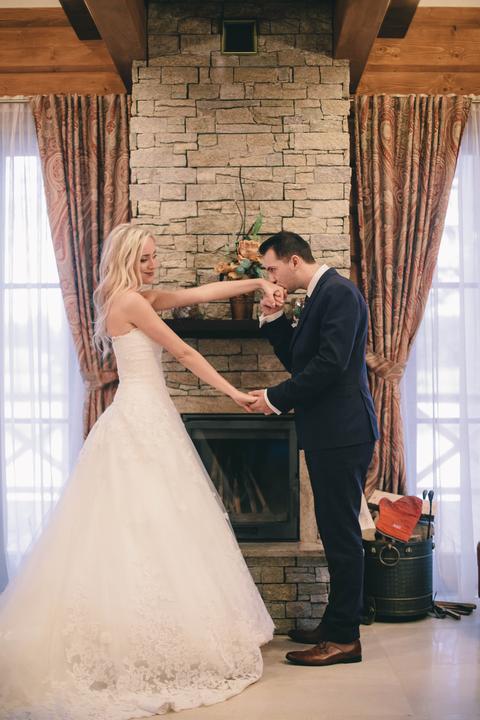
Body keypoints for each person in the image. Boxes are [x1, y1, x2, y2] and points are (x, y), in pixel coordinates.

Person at [0, 222, 280, 719]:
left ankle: (155, 633)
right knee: (145, 525)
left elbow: (200, 293)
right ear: (127, 258)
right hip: (140, 417)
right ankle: (136, 641)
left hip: (148, 414)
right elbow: (184, 351)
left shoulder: (134, 298)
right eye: (146, 257)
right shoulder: (130, 302)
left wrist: (257, 281)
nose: (154, 264)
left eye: (154, 255)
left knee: (156, 526)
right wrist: (234, 394)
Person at [248, 231, 379, 667]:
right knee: (335, 531)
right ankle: (334, 624)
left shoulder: (338, 293)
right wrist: (275, 319)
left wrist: (274, 398)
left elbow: (330, 365)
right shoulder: (319, 294)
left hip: (344, 432)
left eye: (272, 268)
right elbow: (301, 362)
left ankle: (344, 639)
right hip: (330, 433)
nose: (271, 277)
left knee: (342, 537)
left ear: (293, 261)